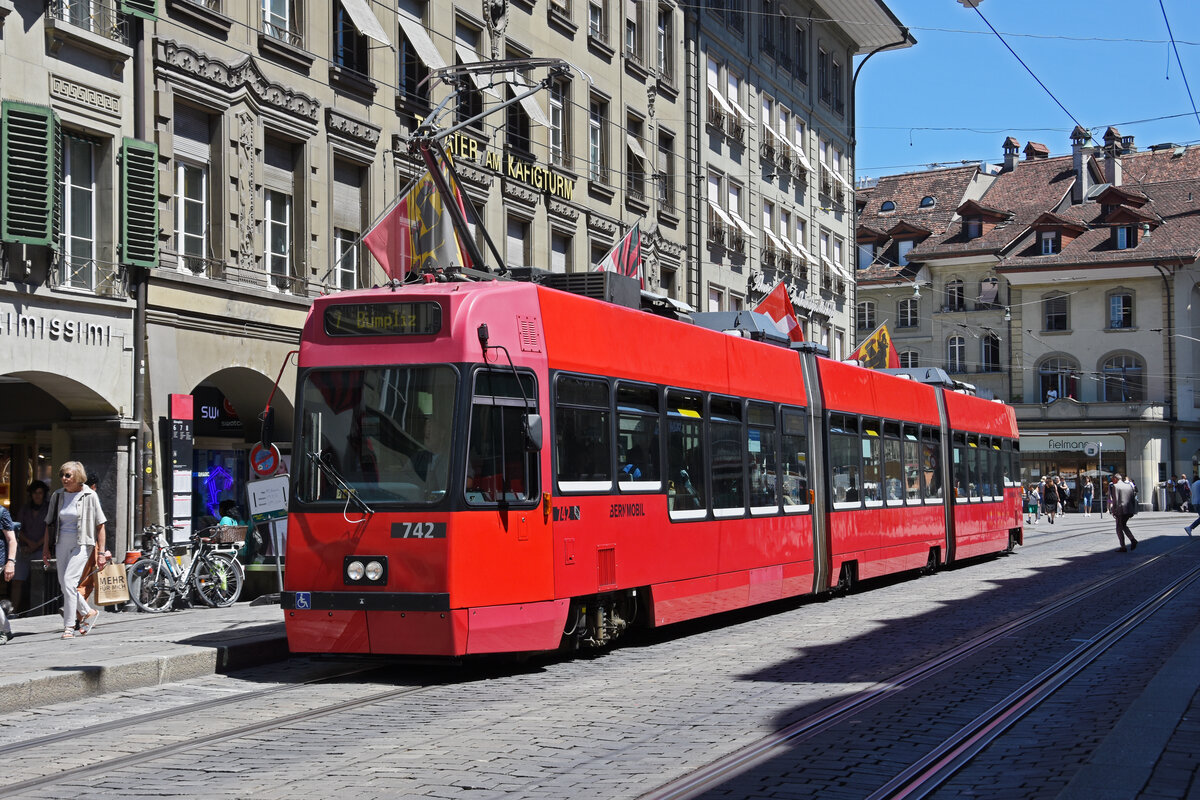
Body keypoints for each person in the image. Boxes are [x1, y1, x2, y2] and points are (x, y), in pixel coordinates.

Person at [44, 462, 109, 639]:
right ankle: (88, 612)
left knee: (69, 582)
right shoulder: (57, 496)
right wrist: (45, 548)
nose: (64, 479)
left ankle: (69, 626)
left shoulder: (90, 495)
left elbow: (100, 525)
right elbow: (49, 524)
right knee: (65, 585)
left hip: (83, 544)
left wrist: (101, 553)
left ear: (78, 476)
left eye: (68, 475)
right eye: (62, 475)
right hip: (60, 543)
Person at [12, 480, 50, 612]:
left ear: (44, 494)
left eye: (40, 493)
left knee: (38, 582)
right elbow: (17, 529)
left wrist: (36, 545)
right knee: (17, 580)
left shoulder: (49, 508)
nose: (37, 496)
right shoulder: (25, 509)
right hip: (24, 549)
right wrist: (29, 543)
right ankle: (13, 611)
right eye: (35, 493)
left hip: (41, 549)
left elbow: (50, 530)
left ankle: (36, 611)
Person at [1110, 473, 1139, 552]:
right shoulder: (1128, 485)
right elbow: (1132, 498)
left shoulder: (1115, 486)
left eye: (1113, 479)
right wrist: (1133, 510)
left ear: (1116, 479)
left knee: (1119, 528)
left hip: (1121, 510)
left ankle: (1124, 546)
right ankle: (1132, 540)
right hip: (1129, 510)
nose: (1112, 480)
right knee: (1123, 525)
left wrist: (1113, 510)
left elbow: (1115, 500)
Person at [1, 504, 15, 644]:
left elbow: (12, 540)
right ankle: (6, 630)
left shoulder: (1, 512)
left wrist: (10, 562)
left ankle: (4, 630)